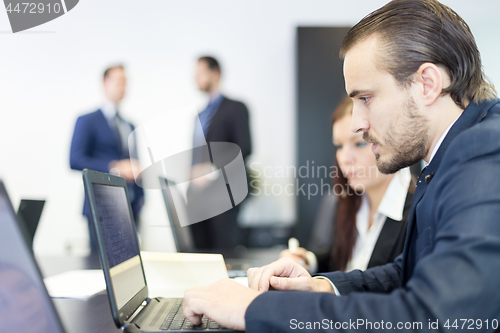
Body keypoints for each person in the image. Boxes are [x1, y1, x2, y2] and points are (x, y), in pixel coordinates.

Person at [181, 0, 500, 331]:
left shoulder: (485, 153)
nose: (358, 123)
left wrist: (257, 309)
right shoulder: (449, 157)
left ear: (427, 84)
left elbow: (439, 318)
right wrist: (321, 286)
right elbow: (404, 272)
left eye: (365, 98)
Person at [281, 97, 413, 274]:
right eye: (339, 146)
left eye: (360, 144)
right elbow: (339, 260)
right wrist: (307, 261)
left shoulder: (419, 208)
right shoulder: (346, 200)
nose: (345, 158)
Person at [70, 65, 144, 253]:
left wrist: (142, 200)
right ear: (105, 83)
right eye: (119, 81)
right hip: (101, 207)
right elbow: (75, 159)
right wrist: (115, 167)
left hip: (129, 208)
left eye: (125, 82)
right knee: (100, 269)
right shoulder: (87, 120)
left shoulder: (129, 124)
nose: (123, 86)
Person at [188, 56, 252, 250]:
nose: (195, 78)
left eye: (200, 74)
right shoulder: (200, 114)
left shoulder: (235, 108)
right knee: (199, 250)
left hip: (225, 192)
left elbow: (245, 148)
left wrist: (210, 169)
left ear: (215, 73)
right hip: (199, 196)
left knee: (223, 250)